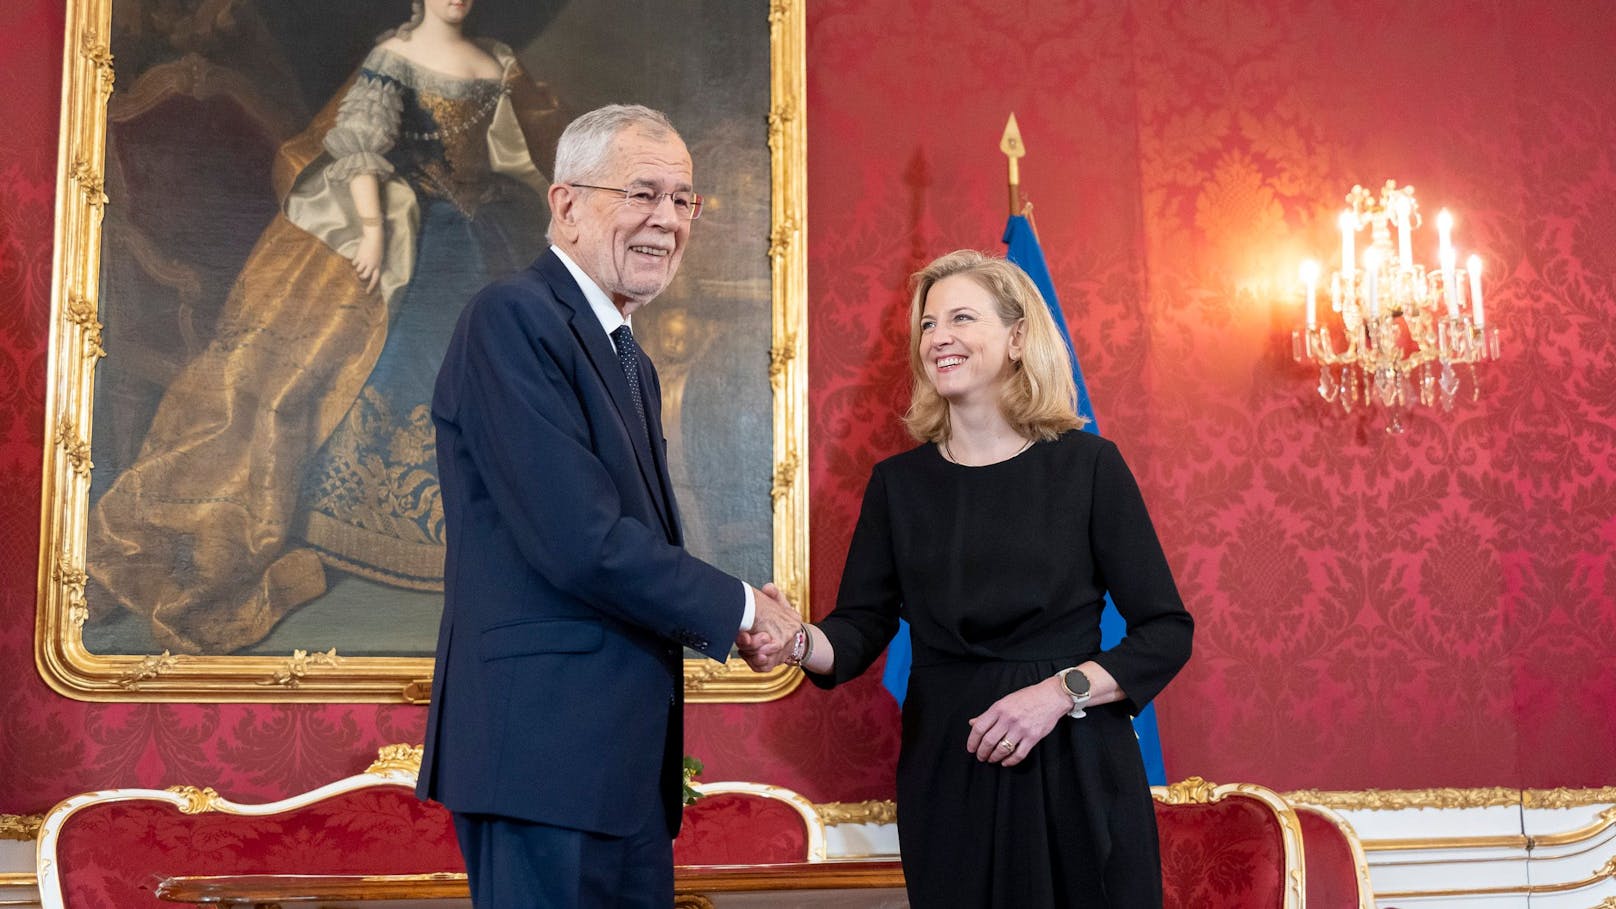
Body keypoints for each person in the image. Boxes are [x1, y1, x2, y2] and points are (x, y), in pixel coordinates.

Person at [88, 0, 569, 653]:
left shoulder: (497, 65)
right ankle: (361, 521)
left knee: (515, 343)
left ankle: (495, 522)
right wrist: (372, 231)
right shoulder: (395, 61)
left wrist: (565, 194)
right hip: (405, 232)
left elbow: (527, 153)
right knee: (400, 342)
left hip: (477, 232)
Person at [416, 104, 800, 908]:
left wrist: (729, 611)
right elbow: (580, 541)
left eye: (683, 199)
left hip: (616, 769)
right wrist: (738, 607)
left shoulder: (630, 358)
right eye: (642, 193)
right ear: (565, 205)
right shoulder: (513, 319)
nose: (668, 218)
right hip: (542, 759)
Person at [742, 250, 1195, 907]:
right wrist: (795, 641)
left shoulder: (1089, 466)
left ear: (1017, 337)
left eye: (960, 317)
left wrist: (1057, 694)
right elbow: (860, 628)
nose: (938, 337)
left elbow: (1166, 631)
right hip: (951, 767)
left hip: (1077, 761)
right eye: (927, 325)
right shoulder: (898, 485)